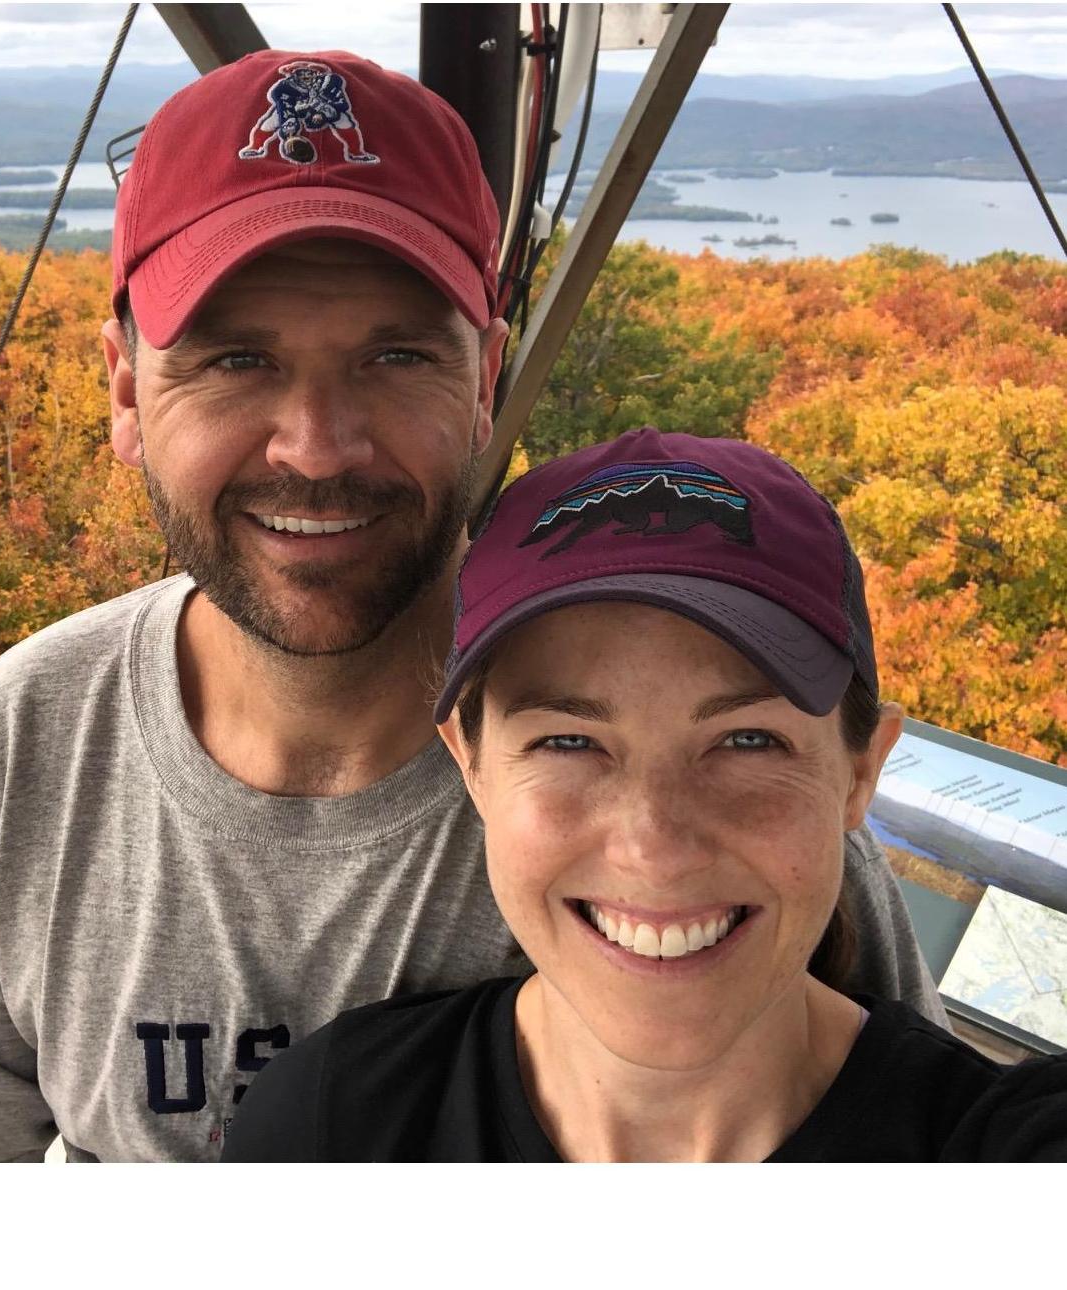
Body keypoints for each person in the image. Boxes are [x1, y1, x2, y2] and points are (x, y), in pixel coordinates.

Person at [0, 52, 943, 1164]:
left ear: (483, 383)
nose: (317, 447)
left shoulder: (704, 791)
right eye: (235, 360)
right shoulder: (33, 740)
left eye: (397, 354)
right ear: (126, 388)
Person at [220, 429, 1067, 1163]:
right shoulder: (334, 1127)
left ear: (859, 772)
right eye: (568, 741)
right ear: (471, 765)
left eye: (745, 741)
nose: (653, 845)